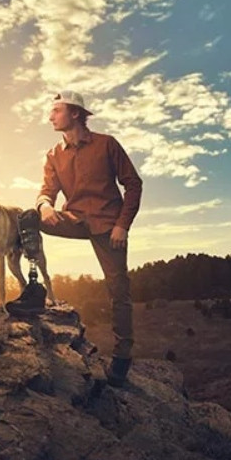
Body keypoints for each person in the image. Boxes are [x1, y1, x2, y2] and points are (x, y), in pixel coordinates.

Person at [35, 90, 142, 387]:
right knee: (26, 219)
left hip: (109, 226)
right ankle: (33, 289)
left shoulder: (107, 145)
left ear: (75, 114)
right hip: (74, 220)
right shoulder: (54, 155)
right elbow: (46, 190)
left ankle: (121, 359)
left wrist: (123, 225)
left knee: (118, 289)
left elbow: (133, 184)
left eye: (56, 110)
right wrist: (44, 206)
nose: (50, 116)